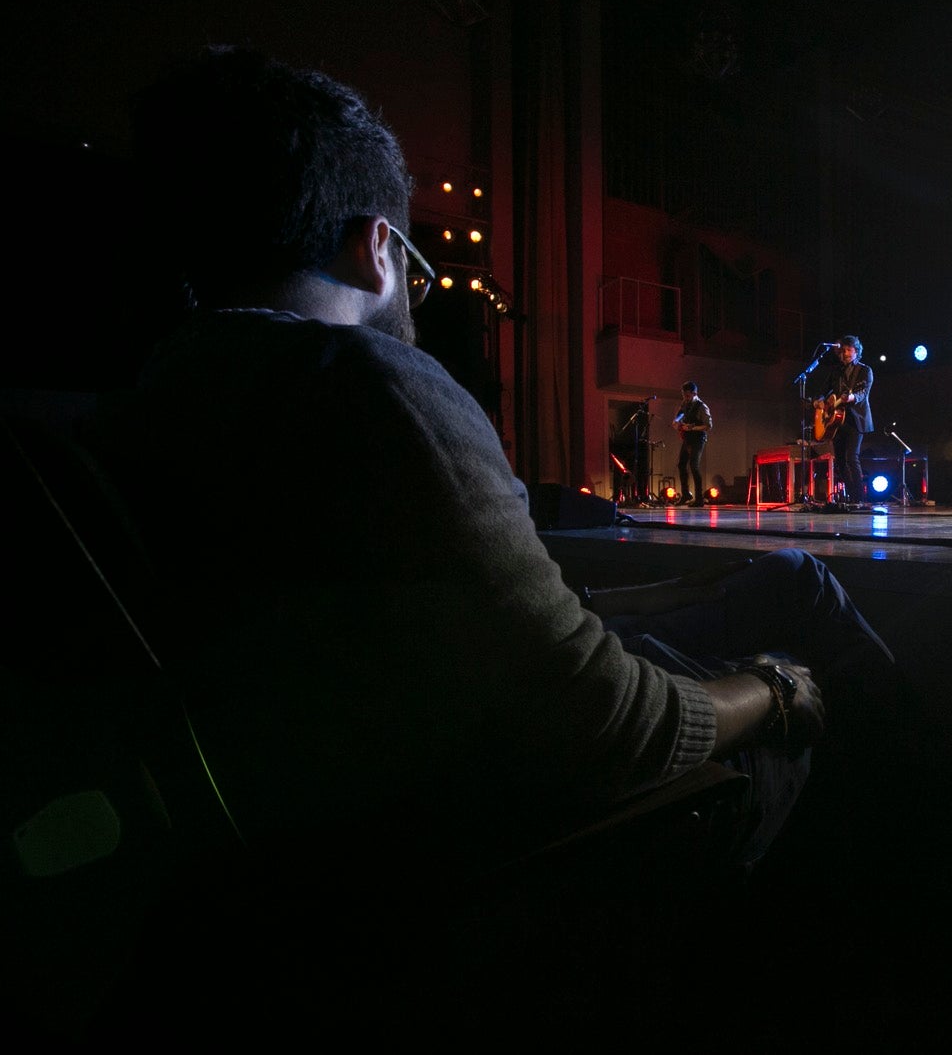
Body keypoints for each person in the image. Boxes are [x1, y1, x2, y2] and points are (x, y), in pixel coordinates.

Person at [88, 47, 895, 886]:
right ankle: (924, 835)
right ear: (377, 248)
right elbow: (610, 723)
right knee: (801, 617)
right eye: (418, 268)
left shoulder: (146, 396)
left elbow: (441, 616)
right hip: (503, 818)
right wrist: (772, 685)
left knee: (786, 576)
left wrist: (675, 591)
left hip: (353, 788)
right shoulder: (367, 385)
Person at [822, 335, 873, 502]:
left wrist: (852, 398)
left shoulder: (865, 370)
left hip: (855, 419)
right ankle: (852, 497)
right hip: (837, 421)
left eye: (849, 350)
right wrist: (820, 401)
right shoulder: (835, 371)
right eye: (842, 350)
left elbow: (863, 392)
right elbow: (825, 391)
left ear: (856, 351)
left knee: (852, 457)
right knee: (841, 462)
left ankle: (860, 499)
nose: (845, 353)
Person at [673, 380, 712, 506]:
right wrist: (676, 421)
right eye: (684, 395)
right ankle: (686, 494)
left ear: (694, 393)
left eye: (688, 395)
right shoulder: (685, 403)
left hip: (698, 439)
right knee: (681, 464)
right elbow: (680, 414)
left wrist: (692, 428)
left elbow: (708, 426)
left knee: (694, 466)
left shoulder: (702, 406)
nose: (685, 398)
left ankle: (699, 498)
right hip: (688, 438)